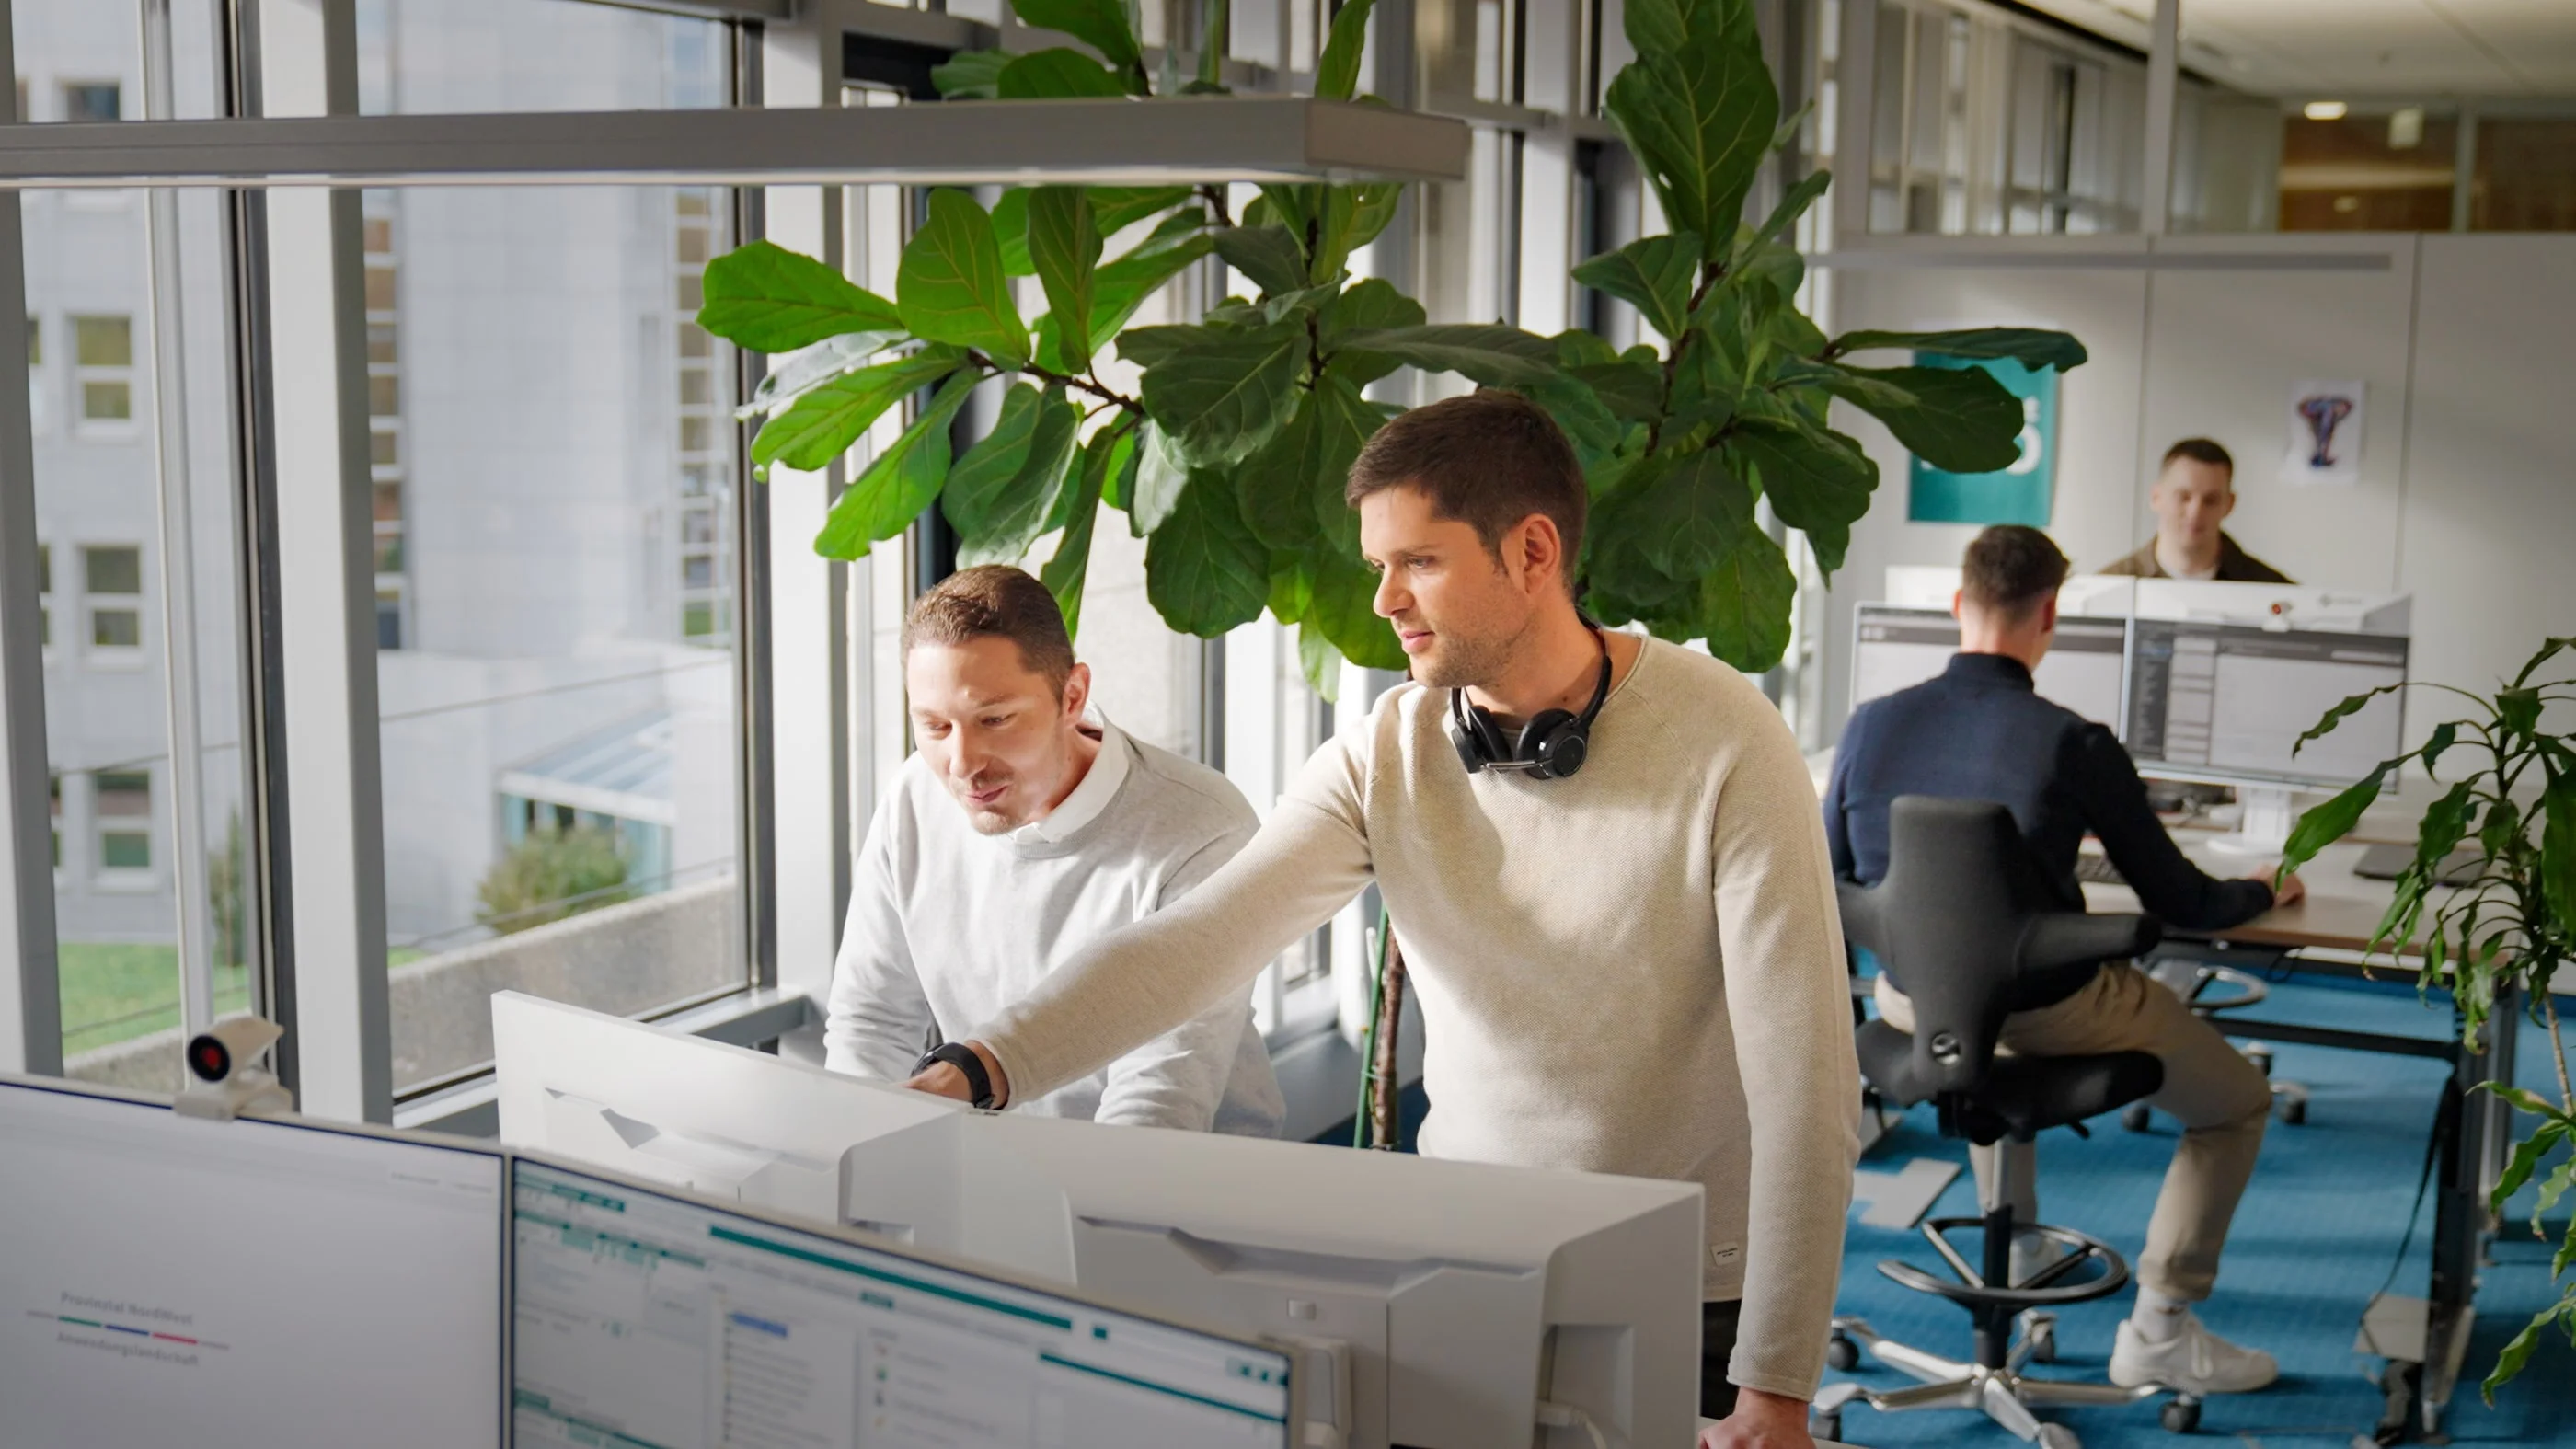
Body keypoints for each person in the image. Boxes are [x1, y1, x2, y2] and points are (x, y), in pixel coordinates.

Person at [904, 392, 1861, 1449]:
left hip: (1688, 1286)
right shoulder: (1388, 749)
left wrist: (1774, 1387)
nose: (1385, 601)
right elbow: (1196, 942)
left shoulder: (1728, 741)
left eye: (1419, 563)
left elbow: (1806, 1086)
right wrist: (980, 1067)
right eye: (1376, 567)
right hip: (1464, 1254)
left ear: (1532, 551)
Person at [1823, 524, 2306, 1397]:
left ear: (1956, 605)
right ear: (2050, 614)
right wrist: (2263, 888)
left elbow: (1836, 881)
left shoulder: (1868, 725)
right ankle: (2161, 1326)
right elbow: (2184, 903)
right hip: (2051, 1008)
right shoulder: (2072, 741)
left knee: (1967, 1005)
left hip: (1914, 1003)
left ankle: (2025, 1235)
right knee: (2237, 1102)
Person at [823, 564, 1282, 1137]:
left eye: (995, 719)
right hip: (985, 1171)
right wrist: (853, 1160)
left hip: (1178, 1192)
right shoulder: (914, 796)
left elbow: (1158, 1101)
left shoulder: (1201, 828)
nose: (962, 764)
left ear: (1072, 695)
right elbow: (872, 1023)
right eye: (936, 726)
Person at [2099, 439, 2294, 582]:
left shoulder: (2272, 591)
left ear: (2230, 504)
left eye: (2211, 500)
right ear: (2156, 497)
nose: (2195, 513)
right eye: (2183, 497)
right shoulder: (2106, 585)